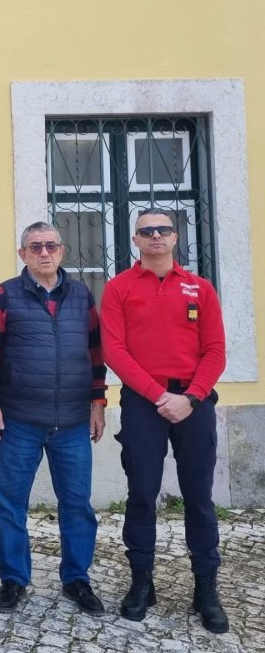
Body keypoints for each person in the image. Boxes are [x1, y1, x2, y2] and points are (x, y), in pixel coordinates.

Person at [101, 208, 228, 633]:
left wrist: (190, 397)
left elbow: (215, 350)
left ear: (176, 238)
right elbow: (114, 351)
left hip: (194, 403)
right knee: (141, 494)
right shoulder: (119, 288)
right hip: (143, 402)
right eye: (146, 231)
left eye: (163, 230)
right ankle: (141, 584)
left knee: (199, 497)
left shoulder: (201, 288)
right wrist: (158, 395)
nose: (155, 236)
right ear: (135, 240)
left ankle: (205, 588)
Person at [0, 221, 107, 617]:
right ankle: (14, 579)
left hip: (71, 421)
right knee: (10, 503)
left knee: (77, 504)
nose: (44, 253)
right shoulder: (6, 295)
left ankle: (76, 579)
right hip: (19, 420)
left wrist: (98, 402)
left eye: (51, 245)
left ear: (63, 250)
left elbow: (96, 353)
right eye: (35, 247)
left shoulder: (82, 295)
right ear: (23, 254)